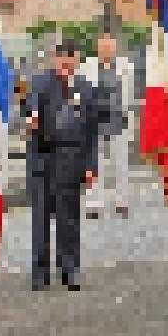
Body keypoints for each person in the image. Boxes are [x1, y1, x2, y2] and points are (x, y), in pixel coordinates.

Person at [24, 36, 100, 291]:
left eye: (71, 59)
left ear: (77, 60)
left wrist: (91, 166)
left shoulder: (86, 88)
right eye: (62, 59)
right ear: (54, 59)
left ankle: (70, 270)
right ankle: (40, 273)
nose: (66, 64)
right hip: (44, 159)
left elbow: (91, 132)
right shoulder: (40, 82)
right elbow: (31, 104)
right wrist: (31, 116)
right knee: (41, 218)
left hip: (72, 159)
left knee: (69, 219)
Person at [81, 24, 130, 218]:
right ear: (97, 47)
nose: (106, 49)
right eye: (103, 45)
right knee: (94, 163)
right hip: (95, 122)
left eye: (110, 45)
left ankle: (121, 200)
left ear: (115, 47)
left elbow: (128, 93)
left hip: (119, 120)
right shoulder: (87, 67)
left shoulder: (126, 67)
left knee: (121, 163)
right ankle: (94, 202)